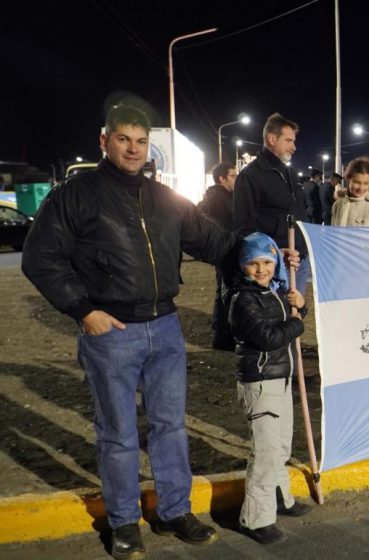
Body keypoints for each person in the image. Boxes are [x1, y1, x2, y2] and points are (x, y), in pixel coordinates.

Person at [21, 104, 236, 559]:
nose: (134, 149)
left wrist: (267, 250)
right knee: (117, 433)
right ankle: (123, 522)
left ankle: (175, 510)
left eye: (141, 141)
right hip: (111, 334)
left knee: (170, 428)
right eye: (124, 139)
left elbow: (216, 243)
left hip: (166, 327)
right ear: (105, 141)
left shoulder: (164, 198)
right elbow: (40, 258)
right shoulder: (75, 196)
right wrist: (83, 310)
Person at [229, 232, 312, 545]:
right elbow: (268, 337)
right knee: (264, 452)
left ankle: (279, 498)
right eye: (253, 263)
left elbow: (287, 319)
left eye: (267, 261)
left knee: (280, 447)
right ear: (243, 266)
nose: (261, 268)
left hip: (281, 377)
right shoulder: (243, 299)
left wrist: (300, 308)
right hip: (261, 383)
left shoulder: (272, 292)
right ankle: (255, 518)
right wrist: (298, 324)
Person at [234, 113, 312, 290]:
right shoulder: (250, 176)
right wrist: (272, 255)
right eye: (289, 141)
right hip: (274, 264)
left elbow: (298, 212)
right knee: (274, 313)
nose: (294, 147)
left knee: (295, 312)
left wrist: (304, 248)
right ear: (271, 139)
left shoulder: (290, 173)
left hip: (298, 259)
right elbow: (246, 226)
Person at [198, 161, 239, 350]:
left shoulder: (223, 196)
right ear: (221, 178)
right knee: (225, 291)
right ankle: (222, 336)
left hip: (227, 250)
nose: (236, 179)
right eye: (233, 176)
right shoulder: (217, 199)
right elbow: (220, 228)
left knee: (226, 290)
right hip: (225, 252)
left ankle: (224, 331)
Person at [331, 157, 369, 227]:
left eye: (365, 183)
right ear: (348, 180)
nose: (361, 188)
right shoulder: (337, 205)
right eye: (357, 182)